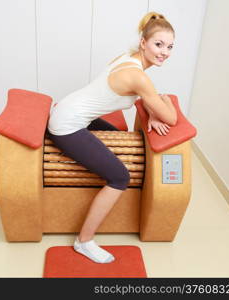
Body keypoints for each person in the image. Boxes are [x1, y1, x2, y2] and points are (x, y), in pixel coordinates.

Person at [47, 11, 177, 263]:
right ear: (144, 43)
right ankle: (84, 241)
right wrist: (165, 101)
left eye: (170, 47)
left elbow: (141, 94)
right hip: (67, 125)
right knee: (120, 176)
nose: (164, 52)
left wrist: (152, 111)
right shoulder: (139, 76)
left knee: (120, 139)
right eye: (158, 44)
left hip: (70, 110)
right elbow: (170, 117)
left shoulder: (128, 58)